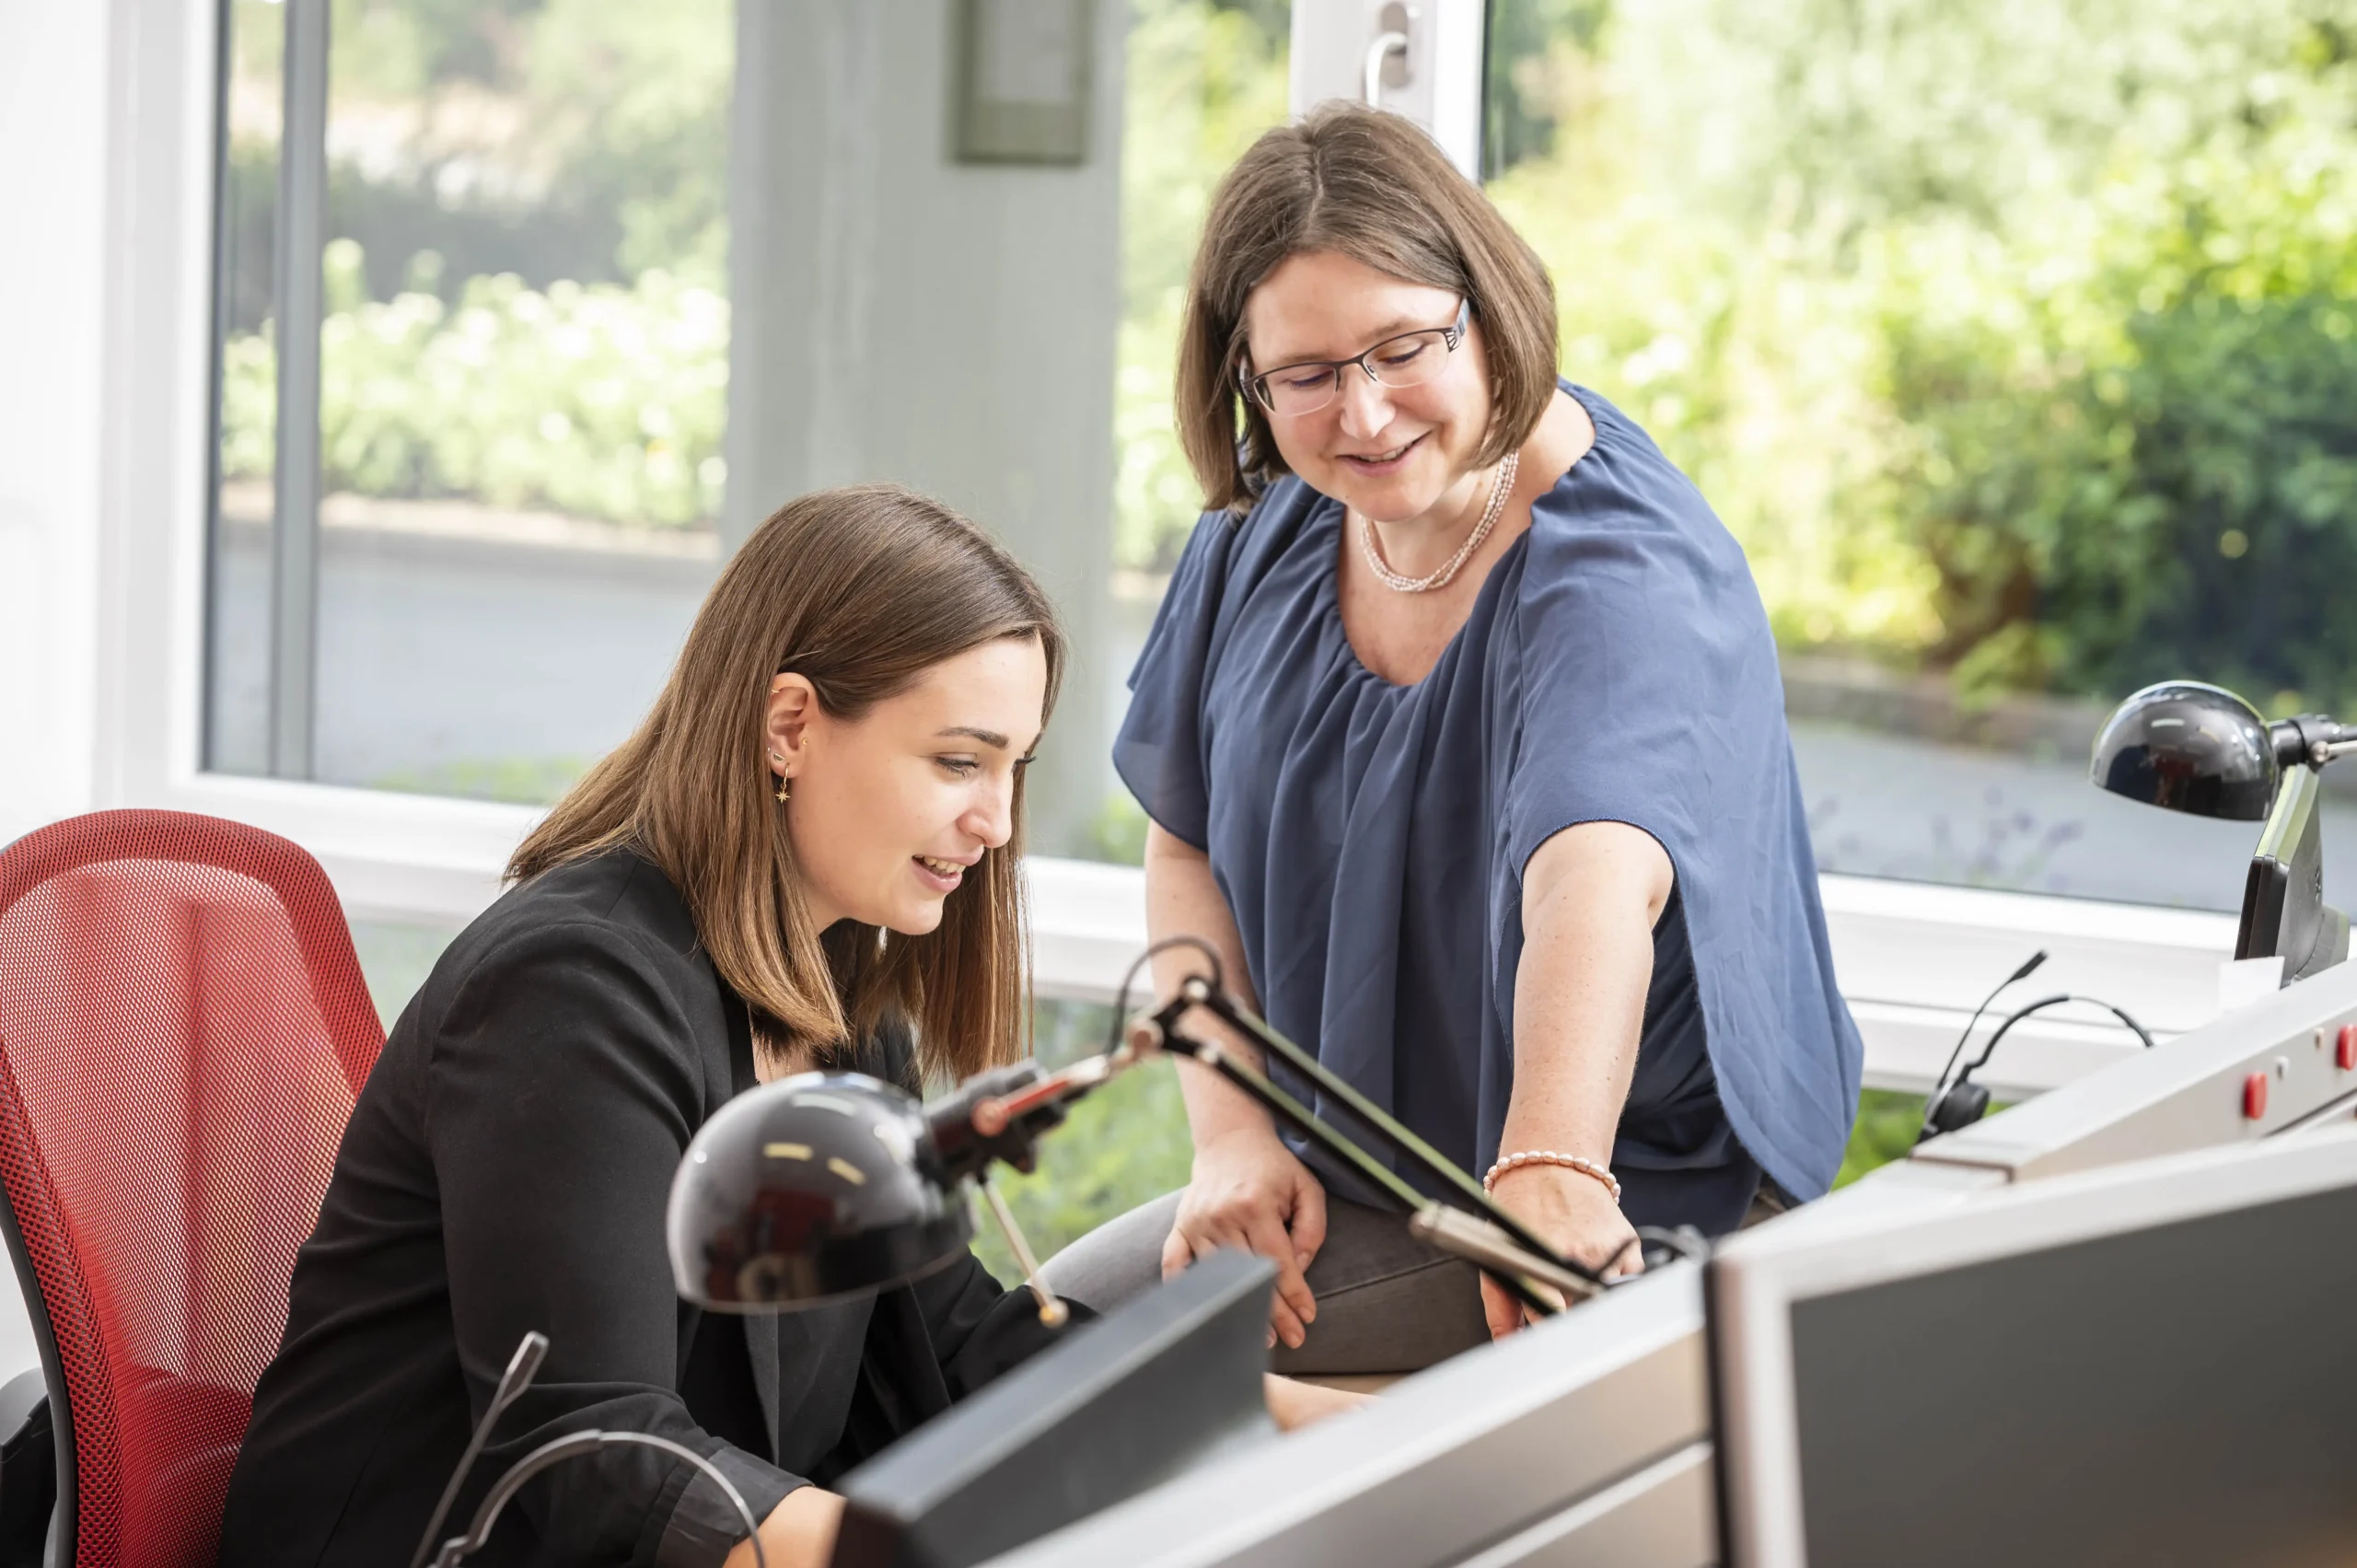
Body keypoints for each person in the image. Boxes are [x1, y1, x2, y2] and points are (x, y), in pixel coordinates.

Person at [217, 484, 1351, 1568]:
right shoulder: (571, 989)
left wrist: (1308, 1424)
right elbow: (600, 1459)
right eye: (958, 760)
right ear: (790, 725)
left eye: (1013, 769)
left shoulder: (843, 996)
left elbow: (954, 1339)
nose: (995, 821)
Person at [1039, 105, 1864, 1372]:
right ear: (1244, 380)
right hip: (1366, 1159)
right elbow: (1184, 847)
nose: (1362, 414)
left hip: (1620, 1180)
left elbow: (1592, 878)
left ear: (1486, 309)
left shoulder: (1620, 575)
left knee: (1071, 1374)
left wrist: (1548, 1164)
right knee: (1015, 1338)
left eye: (1403, 345)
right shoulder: (1270, 523)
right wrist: (1234, 1133)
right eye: (1306, 374)